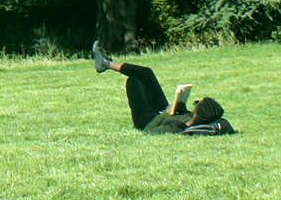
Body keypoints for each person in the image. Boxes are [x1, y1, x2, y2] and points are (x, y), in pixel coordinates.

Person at [91, 42, 235, 135]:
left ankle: (105, 63)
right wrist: (180, 107)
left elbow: (149, 132)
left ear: (200, 114)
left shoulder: (177, 127)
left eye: (197, 104)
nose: (195, 104)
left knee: (134, 80)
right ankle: (106, 63)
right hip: (161, 111)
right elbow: (226, 125)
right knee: (147, 73)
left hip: (147, 120)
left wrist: (167, 114)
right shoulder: (197, 120)